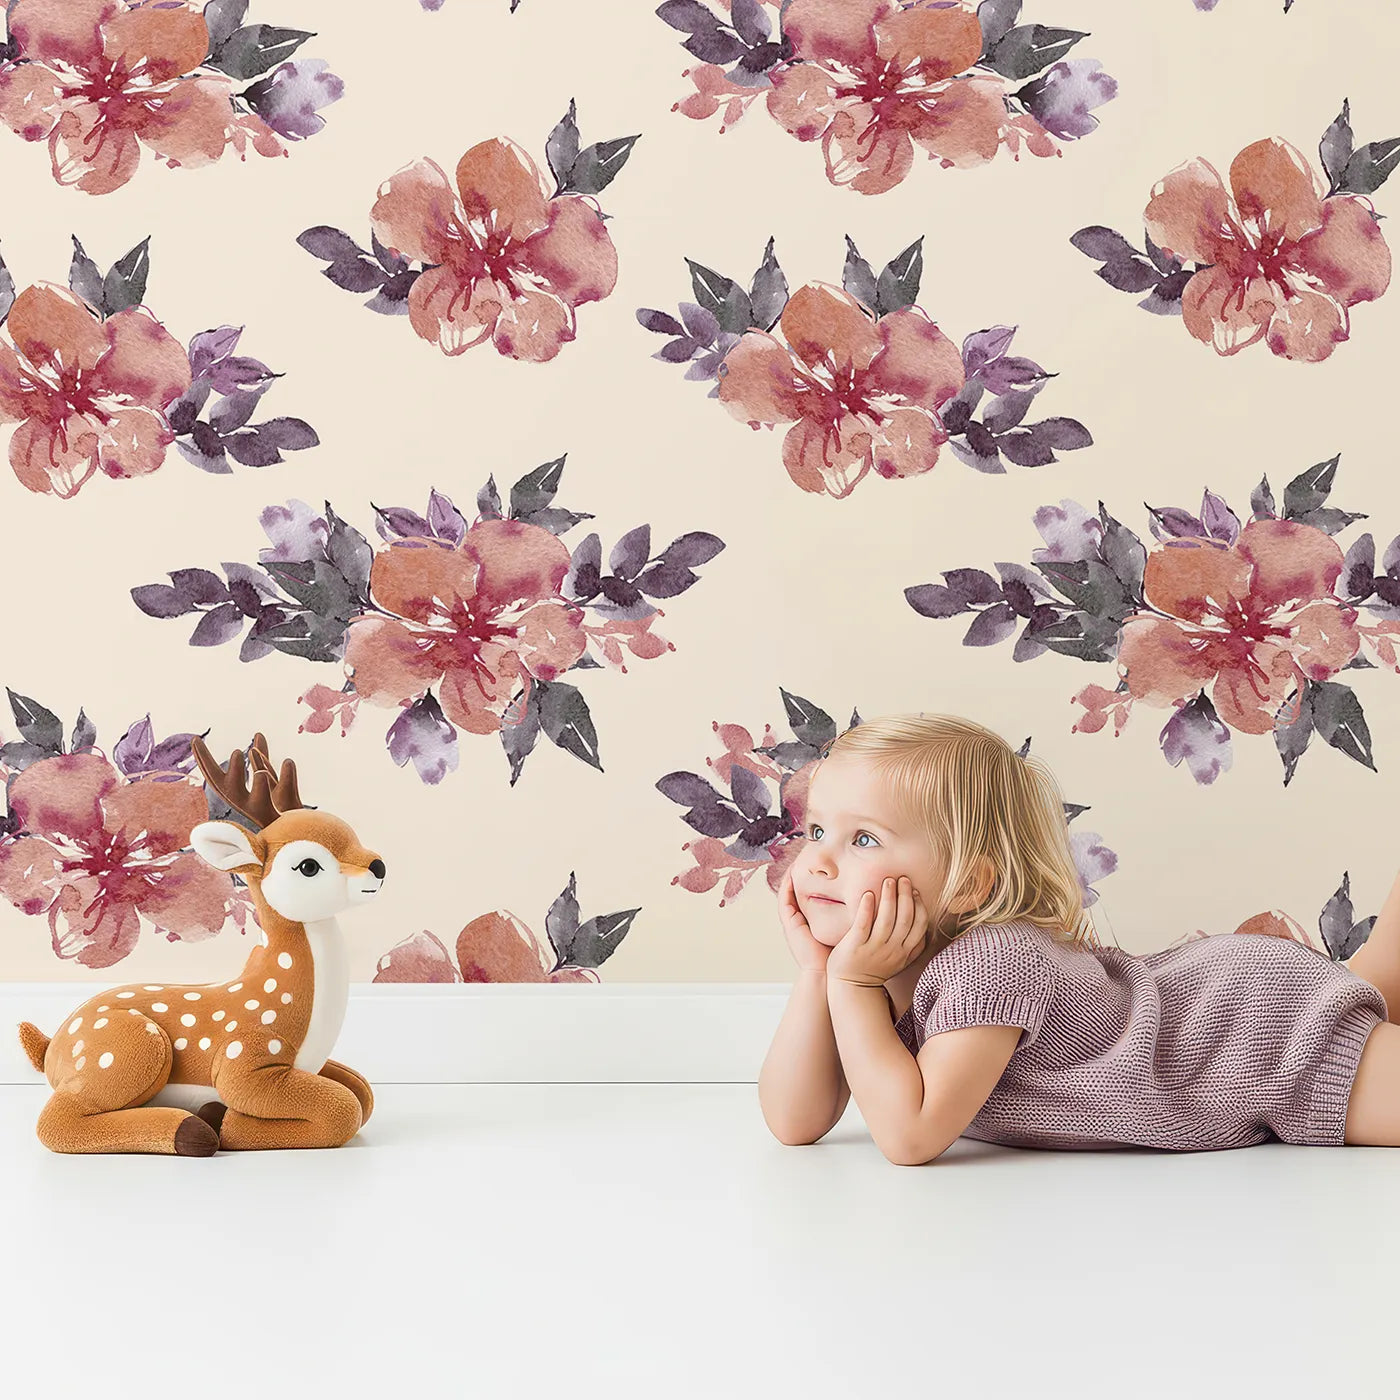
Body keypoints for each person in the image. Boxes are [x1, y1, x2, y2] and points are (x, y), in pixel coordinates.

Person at [757, 713, 1400, 1163]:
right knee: (1371, 989)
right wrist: (819, 974)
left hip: (1251, 1036)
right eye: (816, 832)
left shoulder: (990, 961)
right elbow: (795, 1121)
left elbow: (911, 1135)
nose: (818, 862)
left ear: (968, 884)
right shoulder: (871, 970)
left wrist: (848, 983)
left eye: (863, 839)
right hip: (1208, 1003)